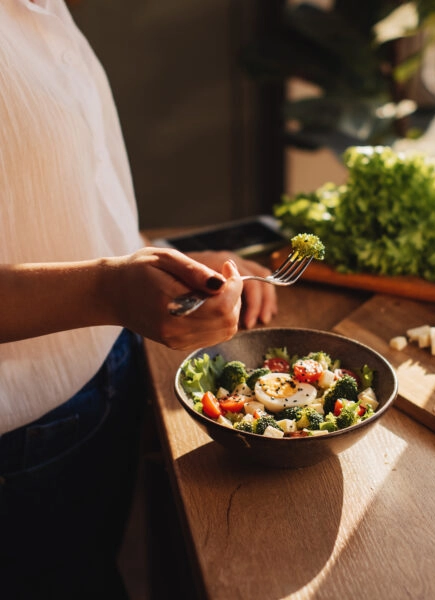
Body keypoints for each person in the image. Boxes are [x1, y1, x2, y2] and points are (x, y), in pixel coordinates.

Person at [0, 1, 278, 597]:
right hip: (19, 440)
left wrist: (159, 256)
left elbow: (51, 186)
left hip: (109, 374)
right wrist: (105, 287)